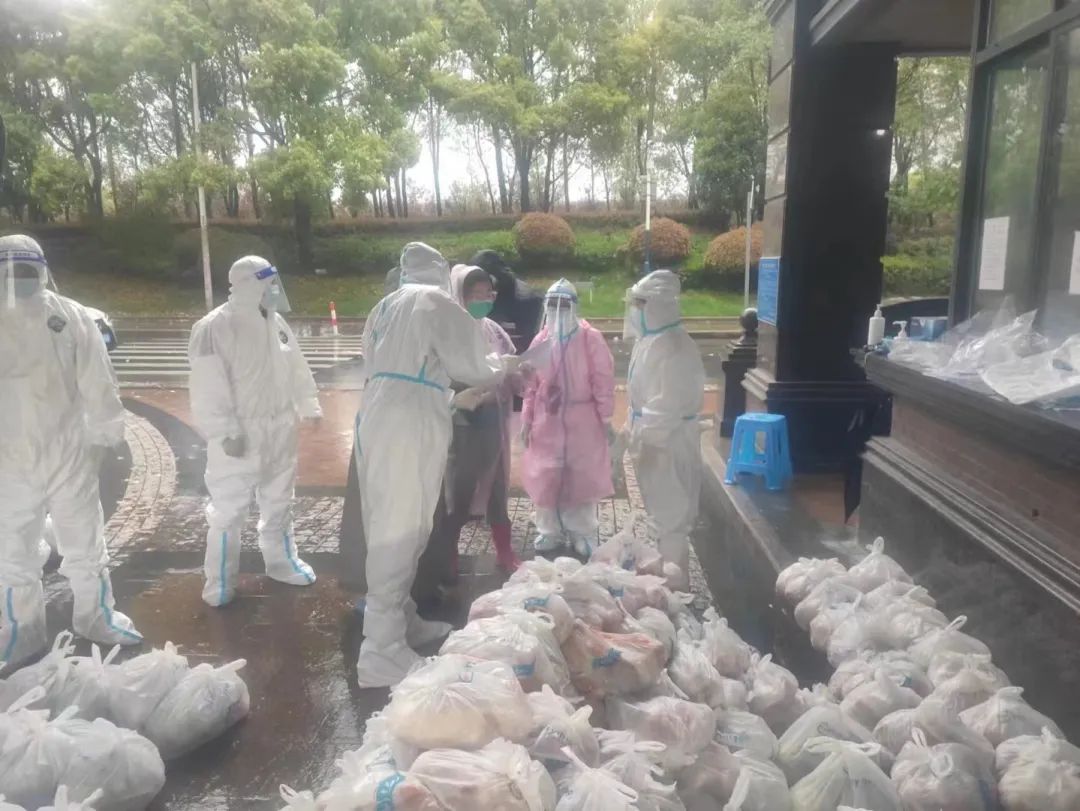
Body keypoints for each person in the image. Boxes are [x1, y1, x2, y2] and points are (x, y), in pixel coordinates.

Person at [355, 242, 520, 687]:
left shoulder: (384, 307)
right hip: (408, 424)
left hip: (380, 415)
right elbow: (475, 365)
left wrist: (446, 398)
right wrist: (504, 364)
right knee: (400, 527)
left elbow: (394, 369)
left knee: (391, 518)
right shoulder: (434, 301)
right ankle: (380, 649)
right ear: (441, 272)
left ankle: (400, 617)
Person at [0, 234, 142, 666]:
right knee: (12, 548)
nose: (19, 280)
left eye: (27, 270)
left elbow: (99, 380)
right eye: (11, 271)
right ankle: (21, 630)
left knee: (84, 539)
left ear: (42, 271)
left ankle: (96, 616)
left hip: (68, 450)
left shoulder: (70, 317)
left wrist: (104, 436)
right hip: (8, 457)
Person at [188, 256, 323, 608]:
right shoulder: (214, 327)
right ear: (249, 284)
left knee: (279, 500)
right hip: (241, 432)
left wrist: (308, 403)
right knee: (229, 511)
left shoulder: (274, 322)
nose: (274, 290)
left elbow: (296, 366)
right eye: (267, 283)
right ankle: (219, 581)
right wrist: (224, 430)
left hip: (280, 427)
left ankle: (282, 562)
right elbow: (207, 385)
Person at [416, 265, 522, 595]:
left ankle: (505, 552)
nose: (483, 300)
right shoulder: (450, 332)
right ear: (458, 295)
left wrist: (520, 373)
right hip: (462, 426)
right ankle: (448, 556)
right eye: (475, 295)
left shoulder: (493, 329)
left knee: (497, 488)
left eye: (488, 294)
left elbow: (511, 362)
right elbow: (440, 377)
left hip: (493, 422)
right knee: (458, 493)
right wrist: (469, 393)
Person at [521, 279, 615, 558]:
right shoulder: (541, 340)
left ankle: (581, 531)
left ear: (574, 306)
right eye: (552, 304)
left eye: (564, 305)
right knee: (546, 475)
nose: (557, 310)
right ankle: (549, 529)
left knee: (581, 475)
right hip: (547, 419)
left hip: (582, 418)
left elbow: (603, 380)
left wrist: (606, 418)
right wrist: (527, 419)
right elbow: (530, 386)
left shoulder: (589, 338)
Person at [623, 270, 705, 591]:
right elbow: (639, 400)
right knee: (660, 516)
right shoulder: (649, 342)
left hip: (668, 444)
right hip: (654, 443)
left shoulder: (675, 347)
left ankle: (675, 589)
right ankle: (667, 581)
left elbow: (666, 407)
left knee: (671, 519)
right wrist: (629, 434)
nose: (635, 311)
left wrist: (640, 437)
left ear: (659, 306)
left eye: (641, 304)